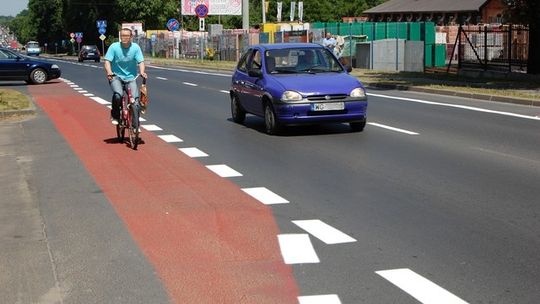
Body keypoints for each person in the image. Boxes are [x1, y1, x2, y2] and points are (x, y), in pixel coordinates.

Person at [104, 28, 147, 125]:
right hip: (116, 77)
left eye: (127, 36)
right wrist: (109, 72)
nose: (125, 38)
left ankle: (135, 126)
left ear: (131, 37)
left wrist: (142, 72)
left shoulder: (135, 48)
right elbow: (107, 61)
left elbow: (141, 61)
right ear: (120, 37)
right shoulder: (114, 47)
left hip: (131, 78)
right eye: (122, 36)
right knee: (118, 95)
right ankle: (115, 115)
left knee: (135, 101)